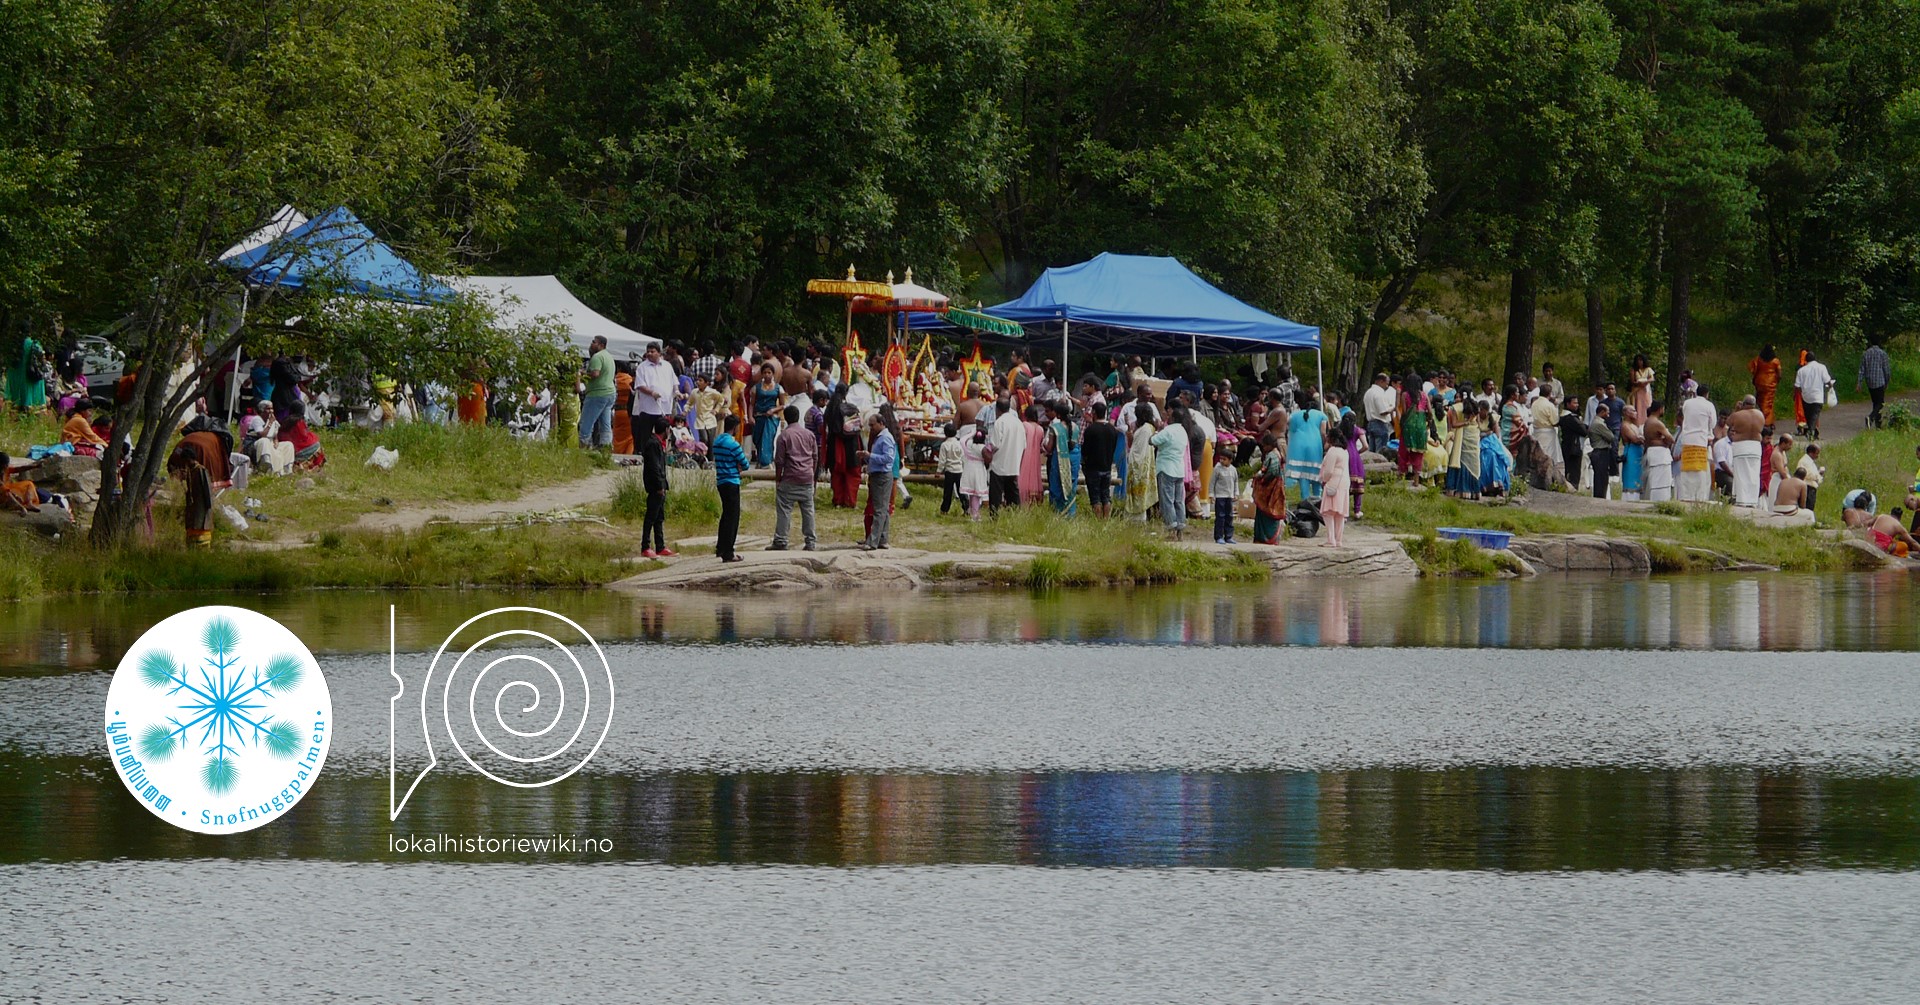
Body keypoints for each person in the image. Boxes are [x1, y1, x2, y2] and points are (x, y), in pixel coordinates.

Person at [764, 404, 818, 551]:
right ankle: (810, 542)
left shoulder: (784, 436)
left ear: (786, 419)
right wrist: (812, 475)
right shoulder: (809, 435)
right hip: (806, 477)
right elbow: (815, 457)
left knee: (784, 510)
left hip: (789, 478)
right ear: (798, 417)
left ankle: (781, 540)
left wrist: (778, 479)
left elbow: (779, 461)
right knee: (808, 510)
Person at [167, 429, 230, 548]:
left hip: (201, 506)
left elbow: (207, 490)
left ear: (190, 459)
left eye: (186, 460)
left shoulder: (201, 470)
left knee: (200, 527)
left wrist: (208, 508)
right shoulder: (191, 471)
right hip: (193, 506)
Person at [1149, 408, 1190, 538]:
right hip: (1179, 469)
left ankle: (1170, 527)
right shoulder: (1183, 431)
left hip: (1166, 468)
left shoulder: (1168, 430)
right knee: (1179, 500)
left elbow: (1152, 441)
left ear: (1172, 418)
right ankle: (1180, 528)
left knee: (1167, 500)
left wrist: (1156, 431)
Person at [709, 423, 747, 562]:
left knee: (725, 515)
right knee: (733, 517)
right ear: (735, 427)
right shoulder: (733, 444)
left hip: (721, 481)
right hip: (732, 481)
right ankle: (729, 552)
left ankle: (720, 547)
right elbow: (745, 464)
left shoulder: (717, 442)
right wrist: (738, 466)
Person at [858, 413, 896, 550]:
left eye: (873, 425)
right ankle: (883, 539)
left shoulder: (885, 438)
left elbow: (888, 458)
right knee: (883, 509)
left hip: (882, 475)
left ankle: (872, 541)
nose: (871, 428)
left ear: (881, 423)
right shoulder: (879, 438)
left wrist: (870, 455)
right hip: (877, 473)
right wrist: (866, 457)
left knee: (879, 510)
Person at [630, 343, 676, 443]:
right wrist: (652, 393)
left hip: (664, 407)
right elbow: (640, 385)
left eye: (652, 351)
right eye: (648, 351)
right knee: (645, 435)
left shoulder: (667, 366)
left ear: (659, 353)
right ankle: (645, 455)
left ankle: (661, 454)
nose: (649, 354)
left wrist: (677, 392)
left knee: (663, 434)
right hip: (648, 408)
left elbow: (674, 382)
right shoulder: (642, 367)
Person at [1676, 387, 1716, 502]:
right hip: (1700, 441)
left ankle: (1686, 495)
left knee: (1687, 470)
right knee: (1700, 471)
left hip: (1687, 440)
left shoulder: (1687, 403)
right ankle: (1699, 497)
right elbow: (1713, 424)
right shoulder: (1709, 405)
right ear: (1707, 394)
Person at [987, 394, 1025, 513]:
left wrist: (987, 452)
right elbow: (1024, 444)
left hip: (1000, 462)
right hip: (1013, 462)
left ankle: (994, 514)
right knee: (1012, 491)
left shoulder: (999, 422)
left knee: (996, 492)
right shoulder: (1018, 423)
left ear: (997, 410)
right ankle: (1014, 512)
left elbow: (995, 444)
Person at [1288, 389, 1329, 499]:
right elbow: (1323, 432)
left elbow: (1290, 431)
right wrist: (1325, 445)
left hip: (1298, 445)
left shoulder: (1295, 415)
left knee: (1303, 473)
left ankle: (1305, 498)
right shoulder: (1322, 415)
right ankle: (1317, 496)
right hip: (1315, 444)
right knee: (1316, 471)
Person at [638, 428, 672, 558]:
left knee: (659, 517)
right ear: (666, 430)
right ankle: (645, 546)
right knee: (651, 517)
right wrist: (659, 485)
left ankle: (660, 545)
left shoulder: (658, 443)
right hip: (655, 486)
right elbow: (654, 467)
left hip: (660, 485)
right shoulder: (653, 444)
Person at [1320, 416, 1353, 547]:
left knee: (1328, 512)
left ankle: (1330, 539)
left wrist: (1324, 480)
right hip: (1344, 483)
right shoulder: (1345, 451)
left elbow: (1328, 471)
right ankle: (1338, 540)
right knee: (1340, 513)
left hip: (1333, 483)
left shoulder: (1332, 451)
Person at [1727, 396, 1765, 507]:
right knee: (1754, 474)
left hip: (1741, 445)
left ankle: (1742, 499)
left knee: (1741, 473)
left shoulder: (1738, 415)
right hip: (1755, 447)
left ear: (1744, 403)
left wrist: (1736, 409)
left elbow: (1729, 423)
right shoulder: (1760, 415)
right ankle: (1752, 500)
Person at [1081, 403, 1118, 518]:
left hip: (1093, 467)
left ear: (1094, 413)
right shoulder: (1112, 429)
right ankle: (1106, 520)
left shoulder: (1090, 430)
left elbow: (1085, 450)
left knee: (1095, 497)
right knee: (1106, 496)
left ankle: (1098, 520)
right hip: (1107, 467)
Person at [578, 336, 616, 448]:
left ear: (601, 345)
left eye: (594, 342)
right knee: (605, 424)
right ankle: (606, 448)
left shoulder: (597, 357)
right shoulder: (609, 357)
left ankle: (584, 447)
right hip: (610, 393)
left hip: (597, 394)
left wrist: (582, 373)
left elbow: (595, 374)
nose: (591, 344)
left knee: (586, 422)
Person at [1250, 433, 1286, 544]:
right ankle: (1272, 538)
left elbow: (1271, 472)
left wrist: (1260, 478)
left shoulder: (1272, 456)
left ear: (1269, 445)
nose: (1264, 448)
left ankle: (1265, 537)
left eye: (1264, 446)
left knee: (1265, 511)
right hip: (1278, 486)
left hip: (1270, 488)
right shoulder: (1278, 454)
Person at [1127, 403, 1159, 520]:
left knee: (1139, 492)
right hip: (1141, 462)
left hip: (1140, 464)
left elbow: (1139, 450)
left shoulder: (1145, 429)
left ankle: (1138, 517)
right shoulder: (1147, 427)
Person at [1794, 351, 1834, 440]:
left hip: (1806, 396)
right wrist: (1830, 385)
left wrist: (1799, 394)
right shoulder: (1821, 367)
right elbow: (1827, 380)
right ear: (1815, 358)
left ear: (1806, 360)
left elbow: (1797, 386)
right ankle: (1811, 432)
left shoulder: (1801, 370)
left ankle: (1813, 432)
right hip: (1817, 396)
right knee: (1815, 414)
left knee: (1808, 415)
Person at [750, 364, 785, 466]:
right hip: (758, 417)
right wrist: (750, 416)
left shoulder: (779, 388)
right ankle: (761, 461)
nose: (767, 375)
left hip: (771, 418)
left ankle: (766, 462)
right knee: (757, 439)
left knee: (768, 439)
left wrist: (773, 410)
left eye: (769, 372)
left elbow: (783, 405)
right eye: (764, 372)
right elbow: (751, 404)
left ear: (773, 374)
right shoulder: (756, 388)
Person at [1046, 400, 1077, 514]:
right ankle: (1070, 511)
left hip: (1058, 460)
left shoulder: (1055, 427)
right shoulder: (1075, 427)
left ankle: (1057, 511)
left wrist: (1043, 446)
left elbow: (1049, 448)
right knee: (1070, 485)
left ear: (1058, 414)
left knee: (1056, 485)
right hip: (1072, 459)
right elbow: (1073, 444)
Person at [6, 333, 49, 411]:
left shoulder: (12, 345)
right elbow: (42, 360)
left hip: (15, 379)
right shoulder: (33, 344)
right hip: (29, 375)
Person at [276, 402, 325, 469]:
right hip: (300, 449)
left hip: (289, 449)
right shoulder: (299, 421)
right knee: (316, 444)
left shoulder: (285, 421)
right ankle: (314, 466)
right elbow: (304, 436)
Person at [1643, 402, 1674, 502]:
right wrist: (1665, 441)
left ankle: (1656, 499)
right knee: (1661, 480)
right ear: (1660, 409)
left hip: (1652, 451)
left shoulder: (1647, 422)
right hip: (1659, 453)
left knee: (1656, 479)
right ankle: (1661, 501)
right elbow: (1671, 438)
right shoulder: (1657, 423)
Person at [1859, 336, 1893, 428]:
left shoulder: (1866, 354)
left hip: (1869, 382)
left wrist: (1859, 383)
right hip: (1880, 381)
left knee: (1875, 402)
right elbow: (1886, 370)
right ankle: (1871, 417)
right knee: (1881, 403)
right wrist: (1887, 382)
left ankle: (1878, 424)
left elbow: (1862, 370)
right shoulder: (1882, 354)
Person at [959, 421, 991, 518]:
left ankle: (972, 510)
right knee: (977, 493)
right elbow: (988, 458)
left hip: (969, 469)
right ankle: (975, 513)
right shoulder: (983, 448)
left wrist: (971, 433)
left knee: (972, 493)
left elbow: (961, 441)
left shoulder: (969, 445)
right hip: (979, 470)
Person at [1211, 435, 1238, 544]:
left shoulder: (1233, 470)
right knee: (1220, 517)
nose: (1222, 461)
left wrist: (1236, 493)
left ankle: (1228, 536)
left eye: (1224, 459)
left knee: (1229, 516)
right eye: (1221, 458)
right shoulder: (1217, 469)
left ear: (1230, 460)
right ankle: (1218, 536)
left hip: (1229, 496)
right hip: (1220, 496)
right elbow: (1212, 482)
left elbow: (1235, 482)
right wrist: (1211, 494)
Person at [1362, 371, 1396, 454]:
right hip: (1380, 423)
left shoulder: (1368, 392)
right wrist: (1393, 408)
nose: (1387, 386)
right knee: (1381, 451)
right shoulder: (1379, 393)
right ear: (1381, 381)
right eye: (1386, 384)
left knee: (1372, 450)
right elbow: (1383, 411)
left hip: (1370, 422)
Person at [1749, 345, 1783, 427]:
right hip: (1770, 384)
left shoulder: (1759, 359)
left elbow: (1752, 367)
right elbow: (1779, 373)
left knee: (1759, 401)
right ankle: (1766, 421)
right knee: (1768, 402)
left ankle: (1761, 418)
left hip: (1759, 382)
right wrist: (1777, 379)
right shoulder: (1775, 361)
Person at [1589, 404, 1616, 499]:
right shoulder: (1599, 424)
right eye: (1607, 412)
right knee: (1601, 478)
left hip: (1600, 452)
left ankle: (1600, 496)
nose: (1608, 415)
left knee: (1602, 477)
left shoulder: (1596, 422)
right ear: (1602, 412)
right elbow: (1611, 437)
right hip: (1600, 452)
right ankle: (1600, 498)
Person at [936, 422, 963, 515]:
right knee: (961, 491)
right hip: (959, 470)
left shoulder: (944, 445)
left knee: (948, 492)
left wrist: (938, 471)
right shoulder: (959, 443)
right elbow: (962, 457)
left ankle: (944, 509)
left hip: (949, 470)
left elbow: (942, 460)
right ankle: (966, 507)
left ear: (945, 433)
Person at [689, 372, 721, 447]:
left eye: (700, 380)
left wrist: (716, 409)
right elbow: (689, 403)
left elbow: (721, 400)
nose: (698, 382)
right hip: (700, 420)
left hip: (710, 420)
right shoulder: (694, 392)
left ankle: (710, 458)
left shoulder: (712, 392)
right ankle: (702, 456)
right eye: (697, 380)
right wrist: (686, 410)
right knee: (704, 439)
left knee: (711, 442)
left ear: (706, 383)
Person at [613, 363, 636, 454]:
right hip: (628, 411)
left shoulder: (615, 380)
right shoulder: (630, 380)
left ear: (618, 368)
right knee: (629, 436)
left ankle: (617, 452)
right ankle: (628, 453)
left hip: (617, 411)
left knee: (617, 435)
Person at [1629, 353, 1656, 427]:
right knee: (1638, 407)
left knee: (1647, 406)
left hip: (1646, 391)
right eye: (1638, 360)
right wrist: (1639, 383)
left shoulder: (1648, 369)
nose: (1639, 362)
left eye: (1641, 360)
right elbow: (1632, 381)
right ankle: (1638, 423)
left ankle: (1647, 422)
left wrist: (1646, 382)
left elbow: (1652, 378)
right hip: (1637, 391)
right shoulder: (1634, 370)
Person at [1795, 442, 1824, 512]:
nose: (1818, 456)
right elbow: (1809, 475)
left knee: (1810, 507)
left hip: (1812, 488)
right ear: (1811, 453)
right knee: (1807, 509)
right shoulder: (1805, 461)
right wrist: (1819, 473)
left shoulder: (1810, 462)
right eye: (1817, 453)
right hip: (1807, 488)